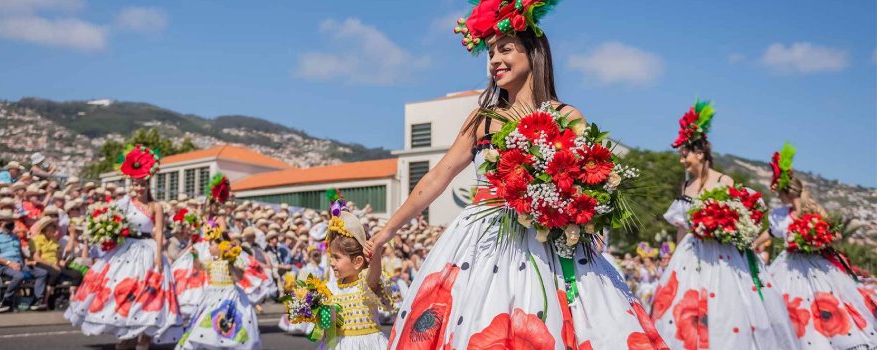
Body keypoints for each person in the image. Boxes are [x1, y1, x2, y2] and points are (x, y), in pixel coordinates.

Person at [364, 2, 666, 349]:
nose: (494, 60)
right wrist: (387, 231)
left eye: (505, 48)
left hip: (551, 242)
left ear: (533, 52)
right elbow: (438, 176)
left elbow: (594, 185)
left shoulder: (567, 116)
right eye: (490, 53)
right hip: (483, 243)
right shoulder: (482, 120)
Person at [654, 101, 800, 349]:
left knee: (727, 307)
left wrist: (722, 225)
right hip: (691, 255)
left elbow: (741, 218)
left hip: (723, 255)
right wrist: (674, 256)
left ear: (699, 154)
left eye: (684, 155)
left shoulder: (725, 181)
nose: (682, 161)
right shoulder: (686, 187)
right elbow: (681, 227)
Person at [752, 144, 877, 349]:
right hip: (789, 264)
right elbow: (772, 232)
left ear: (787, 193)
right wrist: (753, 244)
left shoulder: (814, 210)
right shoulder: (780, 215)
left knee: (822, 302)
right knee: (789, 302)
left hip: (816, 265)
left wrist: (816, 239)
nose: (779, 199)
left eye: (779, 195)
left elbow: (835, 234)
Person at [65, 145, 181, 350]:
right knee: (124, 292)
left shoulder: (156, 207)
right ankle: (126, 338)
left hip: (148, 250)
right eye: (135, 184)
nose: (138, 188)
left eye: (142, 184)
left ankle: (144, 339)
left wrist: (159, 258)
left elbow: (160, 233)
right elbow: (106, 218)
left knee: (148, 296)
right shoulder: (124, 203)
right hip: (125, 250)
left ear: (148, 185)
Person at [320, 202, 391, 349]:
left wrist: (375, 254)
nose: (331, 263)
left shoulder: (365, 285)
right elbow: (327, 327)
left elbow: (374, 273)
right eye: (331, 257)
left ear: (357, 261)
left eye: (337, 258)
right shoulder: (329, 288)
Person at [173, 234, 260, 350]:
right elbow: (200, 267)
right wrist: (195, 256)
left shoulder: (234, 260)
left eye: (212, 245)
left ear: (221, 246)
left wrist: (231, 263)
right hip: (213, 296)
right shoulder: (211, 261)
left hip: (229, 296)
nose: (209, 248)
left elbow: (238, 277)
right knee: (205, 323)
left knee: (225, 325)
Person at [0, 209, 48, 311]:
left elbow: (20, 252)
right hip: (3, 265)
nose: (12, 223)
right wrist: (9, 263)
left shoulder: (14, 236)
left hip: (19, 264)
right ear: (1, 222)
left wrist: (27, 261)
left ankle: (37, 300)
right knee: (19, 276)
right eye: (9, 221)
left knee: (42, 273)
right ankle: (7, 299)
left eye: (12, 220)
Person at [31, 216, 82, 307]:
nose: (55, 229)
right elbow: (36, 258)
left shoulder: (54, 241)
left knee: (77, 274)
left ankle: (72, 298)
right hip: (43, 263)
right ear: (46, 229)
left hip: (55, 264)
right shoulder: (37, 239)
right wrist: (51, 264)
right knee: (55, 273)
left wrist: (62, 262)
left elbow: (58, 257)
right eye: (52, 227)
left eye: (54, 226)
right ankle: (45, 300)